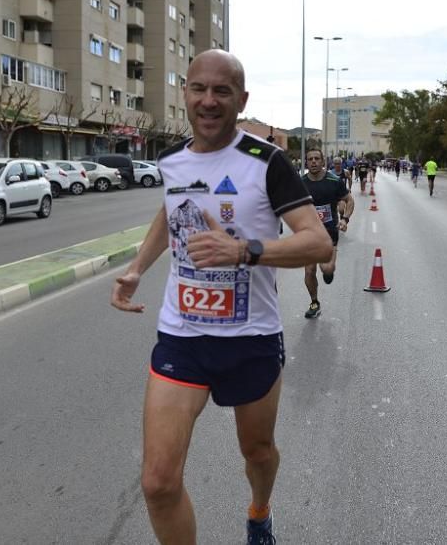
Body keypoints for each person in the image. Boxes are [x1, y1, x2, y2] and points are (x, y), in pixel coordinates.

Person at [110, 50, 332, 545]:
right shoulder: (171, 160)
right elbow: (171, 212)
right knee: (158, 482)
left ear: (241, 99)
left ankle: (259, 511)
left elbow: (318, 242)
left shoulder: (266, 161)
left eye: (222, 91)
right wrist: (137, 268)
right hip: (182, 335)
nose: (208, 101)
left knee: (257, 452)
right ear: (184, 94)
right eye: (198, 89)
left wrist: (245, 250)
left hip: (250, 336)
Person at [301, 148, 354, 318]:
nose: (314, 161)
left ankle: (329, 272)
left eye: (317, 158)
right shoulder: (300, 183)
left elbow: (349, 200)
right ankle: (314, 303)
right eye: (310, 159)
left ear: (323, 162)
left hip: (329, 233)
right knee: (309, 272)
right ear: (306, 162)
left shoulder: (333, 180)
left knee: (327, 269)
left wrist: (345, 219)